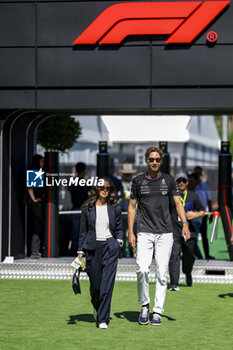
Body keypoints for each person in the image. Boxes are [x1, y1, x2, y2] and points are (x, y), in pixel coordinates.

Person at [128, 146, 190, 326]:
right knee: (142, 269)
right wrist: (130, 232)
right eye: (151, 159)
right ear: (146, 160)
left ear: (161, 161)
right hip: (144, 230)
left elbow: (178, 203)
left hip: (165, 232)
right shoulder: (138, 181)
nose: (154, 162)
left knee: (162, 273)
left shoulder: (169, 180)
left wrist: (185, 223)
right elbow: (132, 207)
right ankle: (145, 305)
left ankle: (157, 311)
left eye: (157, 160)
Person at [77, 178, 123, 329]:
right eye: (102, 187)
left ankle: (103, 319)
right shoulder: (87, 208)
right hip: (92, 248)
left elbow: (119, 227)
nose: (105, 190)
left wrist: (119, 242)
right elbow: (82, 231)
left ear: (110, 190)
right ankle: (96, 306)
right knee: (96, 285)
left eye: (107, 188)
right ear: (96, 189)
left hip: (110, 246)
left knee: (106, 285)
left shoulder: (115, 207)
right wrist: (79, 251)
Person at [169, 171, 205, 290]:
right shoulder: (172, 197)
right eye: (179, 181)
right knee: (174, 255)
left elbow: (203, 211)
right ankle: (174, 283)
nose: (181, 183)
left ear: (187, 182)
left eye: (183, 181)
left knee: (189, 255)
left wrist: (194, 215)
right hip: (174, 229)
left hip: (190, 231)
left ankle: (188, 272)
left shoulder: (193, 196)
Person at [68, 162, 90, 256]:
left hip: (74, 208)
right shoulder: (84, 182)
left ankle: (73, 251)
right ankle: (82, 251)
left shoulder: (72, 182)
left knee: (75, 232)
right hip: (83, 209)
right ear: (84, 170)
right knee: (84, 232)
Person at [193, 166, 214, 259]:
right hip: (194, 214)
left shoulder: (205, 185)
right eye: (196, 173)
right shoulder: (191, 184)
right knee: (194, 236)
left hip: (203, 213)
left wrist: (211, 212)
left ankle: (206, 255)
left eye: (199, 173)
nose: (197, 175)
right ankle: (196, 256)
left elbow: (209, 199)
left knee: (204, 236)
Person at [27, 154, 45, 259]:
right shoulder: (34, 173)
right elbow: (30, 187)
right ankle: (34, 251)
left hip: (39, 202)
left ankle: (36, 250)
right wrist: (34, 199)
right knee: (37, 226)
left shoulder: (40, 173)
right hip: (36, 204)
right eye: (41, 161)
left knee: (38, 226)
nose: (43, 164)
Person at [119, 162, 137, 258]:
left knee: (134, 232)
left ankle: (133, 251)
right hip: (122, 213)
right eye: (126, 174)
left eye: (129, 174)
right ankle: (122, 252)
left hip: (134, 212)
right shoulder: (119, 182)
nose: (127, 175)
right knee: (122, 233)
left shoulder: (135, 182)